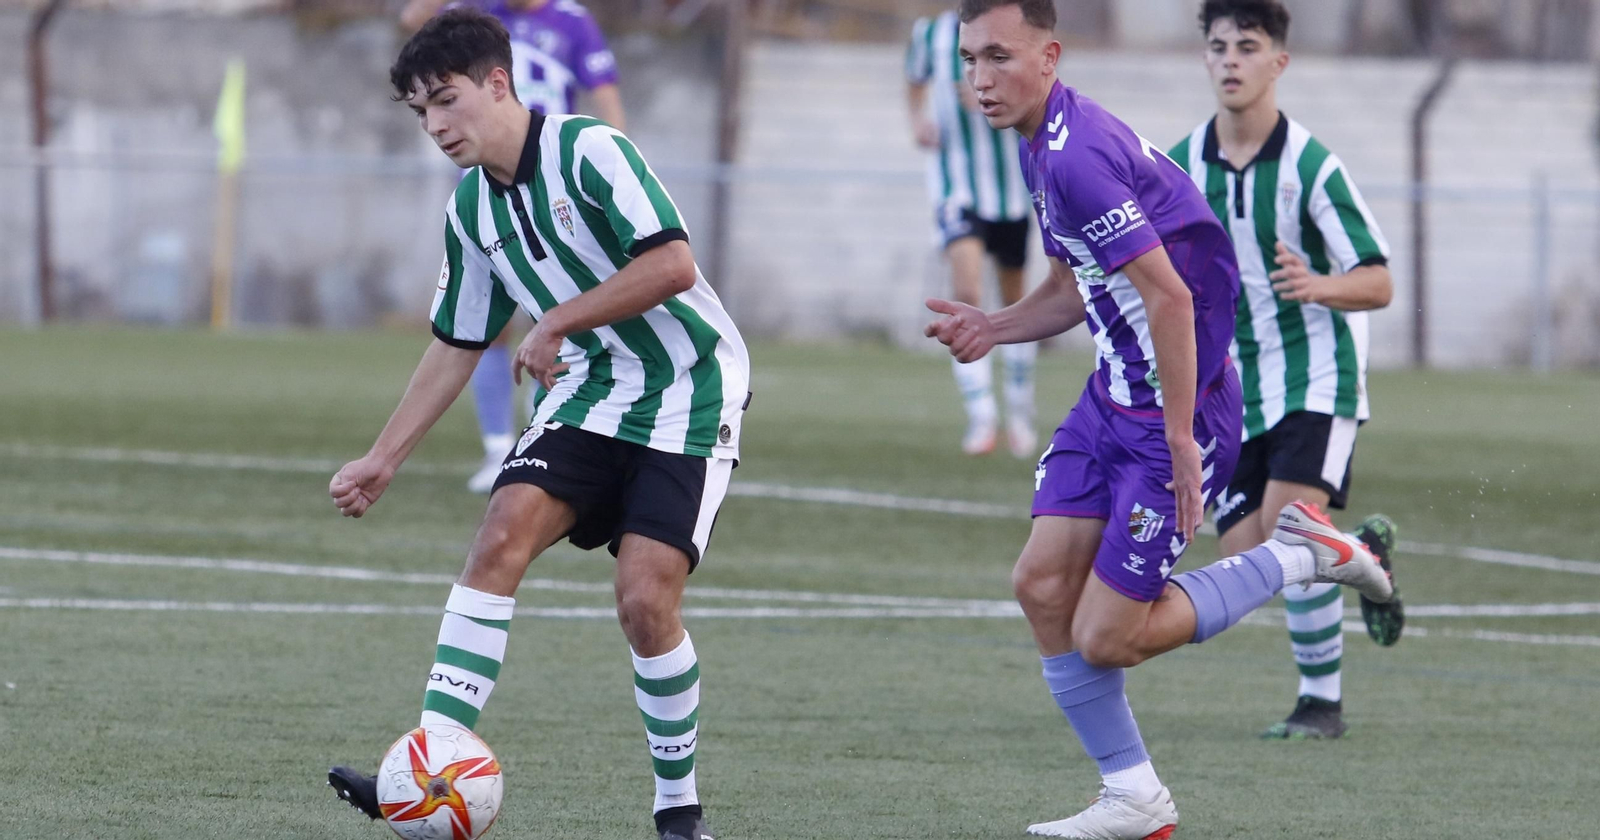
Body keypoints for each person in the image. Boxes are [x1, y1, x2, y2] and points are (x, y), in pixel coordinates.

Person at [923, 1, 1394, 836]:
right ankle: (1134, 798)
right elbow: (1077, 283)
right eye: (968, 60)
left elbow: (1170, 300)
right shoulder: (1047, 144)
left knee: (1109, 638)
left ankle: (1297, 556)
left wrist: (1180, 443)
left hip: (1177, 411)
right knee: (1039, 586)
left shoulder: (1077, 160)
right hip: (1113, 394)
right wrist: (991, 326)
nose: (979, 79)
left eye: (998, 57)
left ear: (1050, 56)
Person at [325, 12, 746, 840]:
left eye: (446, 100)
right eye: (420, 113)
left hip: (688, 389)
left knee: (644, 601)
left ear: (498, 84)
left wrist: (556, 323)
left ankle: (678, 808)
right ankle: (431, 762)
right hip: (591, 389)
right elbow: (456, 343)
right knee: (499, 537)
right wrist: (384, 458)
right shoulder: (471, 211)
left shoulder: (591, 151)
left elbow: (673, 264)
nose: (437, 126)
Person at [1169, 0, 1405, 740]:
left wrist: (1318, 286)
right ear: (1204, 59)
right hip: (1237, 388)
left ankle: (1320, 705)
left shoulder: (1311, 165)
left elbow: (1379, 280)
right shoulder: (1178, 166)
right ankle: (1365, 557)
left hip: (1317, 373)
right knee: (1244, 556)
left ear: (1279, 62)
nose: (1231, 60)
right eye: (1219, 47)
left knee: (1294, 532)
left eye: (1248, 46)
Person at [401, 0, 629, 493]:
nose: (434, 120)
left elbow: (605, 95)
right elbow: (410, 22)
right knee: (488, 326)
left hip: (561, 189)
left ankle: (546, 434)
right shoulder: (475, 11)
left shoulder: (572, 21)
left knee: (557, 322)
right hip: (494, 189)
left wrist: (618, 162)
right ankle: (498, 447)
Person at [906, 8, 1039, 458]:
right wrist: (917, 120)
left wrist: (994, 97)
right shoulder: (929, 33)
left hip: (1012, 193)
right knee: (966, 291)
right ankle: (982, 416)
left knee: (1017, 303)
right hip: (956, 186)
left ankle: (1019, 411)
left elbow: (1040, 90)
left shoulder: (1015, 28)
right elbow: (914, 78)